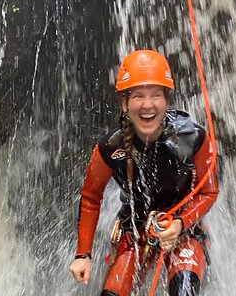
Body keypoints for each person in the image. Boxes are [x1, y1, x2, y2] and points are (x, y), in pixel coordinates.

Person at [69, 49, 219, 295]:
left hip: (185, 228)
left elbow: (209, 192)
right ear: (124, 103)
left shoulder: (192, 136)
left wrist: (180, 225)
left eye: (156, 95)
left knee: (184, 290)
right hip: (135, 230)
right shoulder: (110, 148)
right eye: (138, 96)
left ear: (166, 100)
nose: (147, 105)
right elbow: (90, 198)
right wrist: (83, 255)